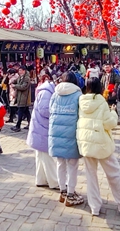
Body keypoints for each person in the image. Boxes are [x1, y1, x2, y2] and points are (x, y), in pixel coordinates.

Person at [77, 78, 120, 216]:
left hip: (85, 141)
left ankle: (94, 207)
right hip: (100, 142)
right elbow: (109, 123)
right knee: (114, 173)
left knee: (91, 176)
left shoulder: (81, 101)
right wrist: (113, 112)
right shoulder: (101, 101)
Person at [48, 71, 84, 207]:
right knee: (72, 165)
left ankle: (62, 191)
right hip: (71, 132)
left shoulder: (55, 94)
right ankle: (70, 193)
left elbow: (50, 111)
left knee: (60, 163)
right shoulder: (78, 95)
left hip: (56, 132)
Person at [27, 73, 58, 189]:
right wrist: (56, 112)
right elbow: (45, 110)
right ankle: (54, 181)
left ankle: (41, 179)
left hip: (39, 127)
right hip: (42, 128)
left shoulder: (46, 90)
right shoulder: (46, 92)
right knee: (47, 156)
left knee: (41, 156)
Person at [11, 65, 32, 132]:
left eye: (20, 70)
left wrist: (15, 86)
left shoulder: (26, 78)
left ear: (24, 71)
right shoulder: (20, 77)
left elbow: (23, 87)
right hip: (20, 97)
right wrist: (12, 80)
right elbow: (16, 81)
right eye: (19, 70)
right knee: (26, 112)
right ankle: (30, 124)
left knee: (20, 112)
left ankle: (18, 126)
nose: (19, 72)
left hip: (24, 98)